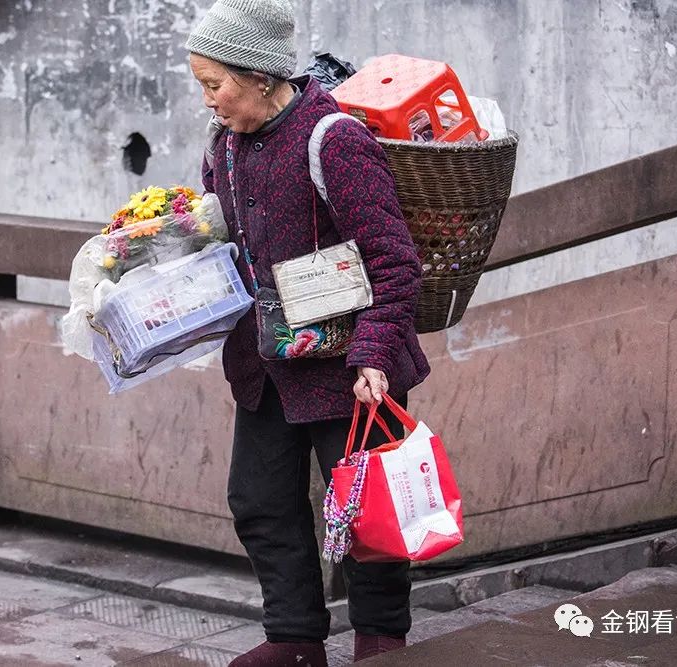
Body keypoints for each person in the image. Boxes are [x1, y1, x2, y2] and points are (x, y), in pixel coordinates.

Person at [185, 1, 430, 664]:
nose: (208, 101)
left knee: (368, 510)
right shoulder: (224, 148)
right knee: (259, 500)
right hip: (268, 363)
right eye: (201, 85)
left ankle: (382, 637)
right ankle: (294, 639)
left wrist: (375, 352)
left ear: (261, 76)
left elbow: (394, 259)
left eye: (215, 85)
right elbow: (227, 242)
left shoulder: (334, 141)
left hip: (350, 366)